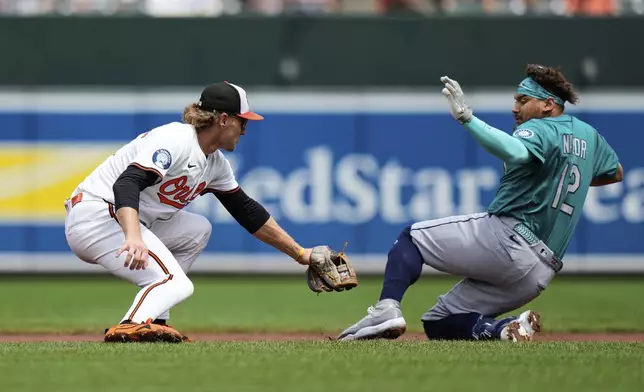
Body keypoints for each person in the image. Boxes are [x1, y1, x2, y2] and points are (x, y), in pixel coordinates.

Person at [337, 64, 623, 342]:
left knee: (411, 238)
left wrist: (467, 119)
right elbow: (615, 172)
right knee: (438, 322)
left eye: (523, 100)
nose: (515, 108)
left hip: (510, 240)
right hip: (540, 272)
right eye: (515, 100)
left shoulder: (539, 128)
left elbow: (516, 152)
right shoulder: (589, 136)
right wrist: (559, 172)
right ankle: (504, 329)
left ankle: (387, 308)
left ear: (548, 104)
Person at [64, 81, 349, 343]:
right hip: (97, 214)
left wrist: (300, 253)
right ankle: (131, 324)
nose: (245, 129)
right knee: (177, 283)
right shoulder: (176, 139)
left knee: (197, 230)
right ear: (223, 119)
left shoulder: (215, 163)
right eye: (242, 121)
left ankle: (156, 322)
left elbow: (247, 211)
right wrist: (133, 235)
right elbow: (127, 182)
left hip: (121, 218)